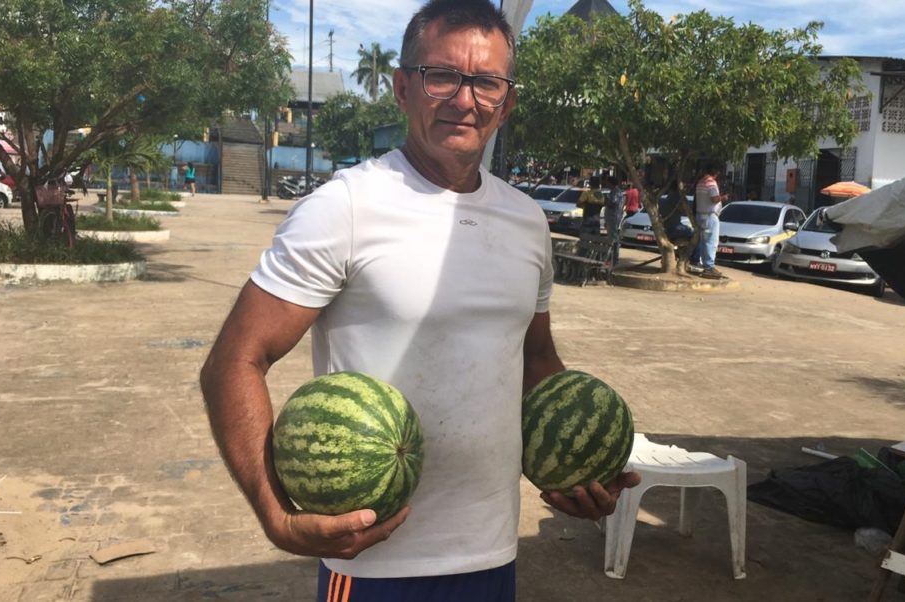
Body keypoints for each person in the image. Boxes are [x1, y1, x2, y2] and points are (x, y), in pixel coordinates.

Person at [198, 1, 640, 600]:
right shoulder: (344, 207)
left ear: (507, 101)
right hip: (374, 562)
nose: (465, 99)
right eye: (442, 76)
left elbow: (536, 361)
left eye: (487, 81)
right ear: (404, 87)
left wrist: (575, 468)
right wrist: (273, 512)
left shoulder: (527, 221)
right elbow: (234, 361)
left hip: (491, 552)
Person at [689, 164, 729, 279]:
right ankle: (709, 267)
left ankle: (703, 263)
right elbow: (714, 199)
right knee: (711, 242)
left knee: (703, 242)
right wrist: (723, 198)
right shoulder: (711, 182)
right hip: (709, 216)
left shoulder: (700, 182)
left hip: (700, 215)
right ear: (716, 173)